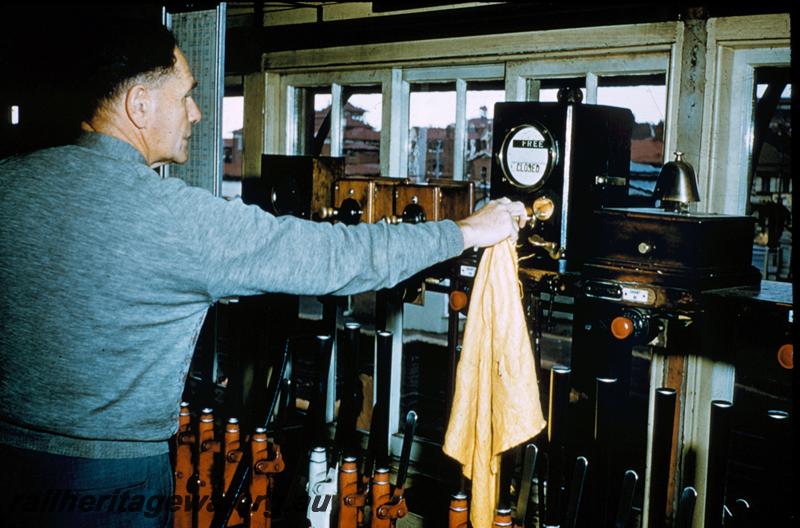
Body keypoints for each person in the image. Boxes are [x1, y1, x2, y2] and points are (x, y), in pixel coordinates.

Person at [0, 21, 527, 527]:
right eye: (186, 95)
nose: (198, 113)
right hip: (108, 481)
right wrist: (463, 232)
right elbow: (333, 257)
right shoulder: (174, 218)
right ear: (139, 104)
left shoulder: (11, 182)